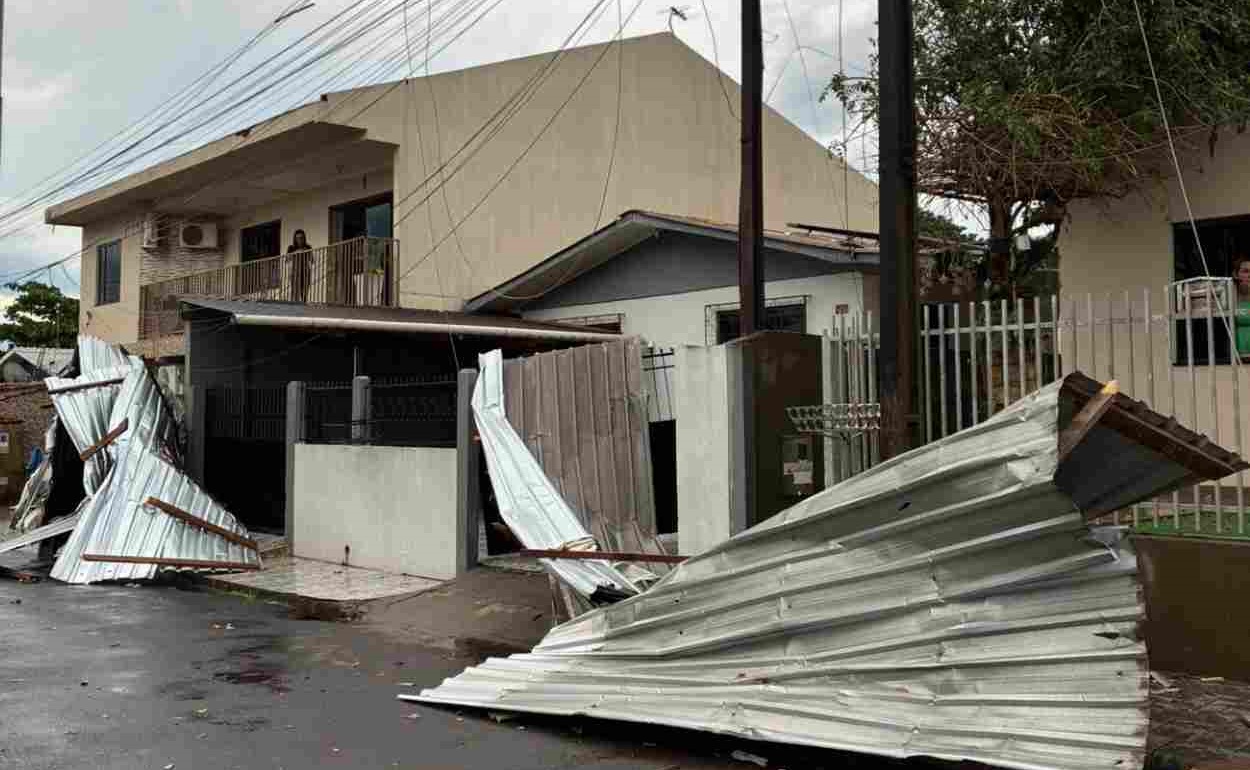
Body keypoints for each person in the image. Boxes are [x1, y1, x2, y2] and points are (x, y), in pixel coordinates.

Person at [287, 229, 313, 302]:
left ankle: (303, 308)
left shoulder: (308, 247)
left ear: (304, 238)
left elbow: (312, 260)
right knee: (295, 293)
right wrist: (296, 252)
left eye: (301, 238)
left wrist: (306, 252)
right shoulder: (291, 248)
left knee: (304, 293)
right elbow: (287, 259)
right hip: (295, 273)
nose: (299, 240)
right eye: (297, 238)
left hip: (305, 272)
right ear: (295, 239)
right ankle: (294, 309)